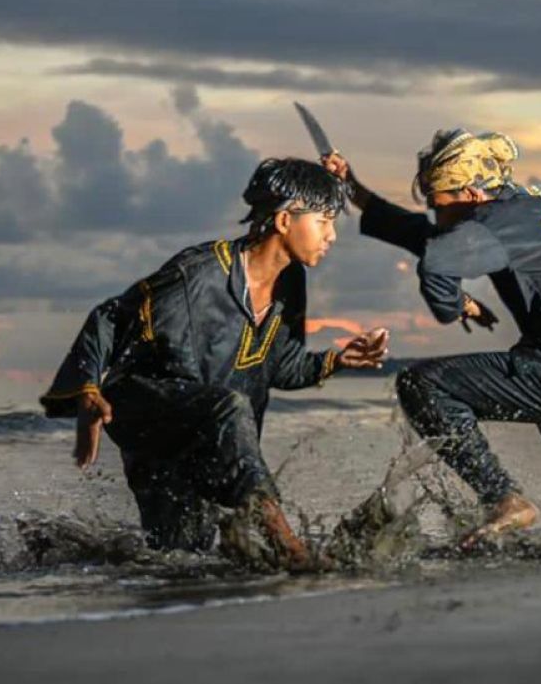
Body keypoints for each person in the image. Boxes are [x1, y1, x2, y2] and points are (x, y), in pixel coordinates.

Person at [39, 158, 388, 569]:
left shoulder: (291, 282)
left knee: (182, 560)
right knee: (230, 407)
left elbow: (281, 367)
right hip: (146, 413)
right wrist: (87, 391)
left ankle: (43, 546)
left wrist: (338, 359)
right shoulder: (197, 275)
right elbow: (111, 316)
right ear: (283, 221)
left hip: (203, 436)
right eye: (324, 221)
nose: (331, 236)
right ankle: (291, 550)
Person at [323, 130, 541, 548]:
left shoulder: (486, 224)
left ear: (471, 193)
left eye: (439, 206)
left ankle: (503, 497)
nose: (437, 216)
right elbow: (425, 235)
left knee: (421, 384)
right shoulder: (527, 210)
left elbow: (436, 269)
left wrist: (457, 306)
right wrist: (351, 185)